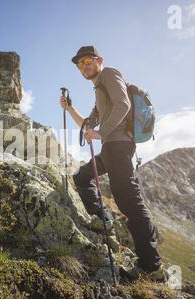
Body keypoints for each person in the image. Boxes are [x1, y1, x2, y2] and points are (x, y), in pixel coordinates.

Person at [60, 46, 165, 282]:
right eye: (81, 64)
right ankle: (102, 216)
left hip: (119, 146)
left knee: (130, 202)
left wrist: (101, 132)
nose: (85, 66)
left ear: (99, 61)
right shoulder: (98, 89)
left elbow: (124, 104)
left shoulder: (109, 74)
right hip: (111, 148)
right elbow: (88, 124)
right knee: (82, 176)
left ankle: (152, 267)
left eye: (88, 61)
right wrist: (69, 108)